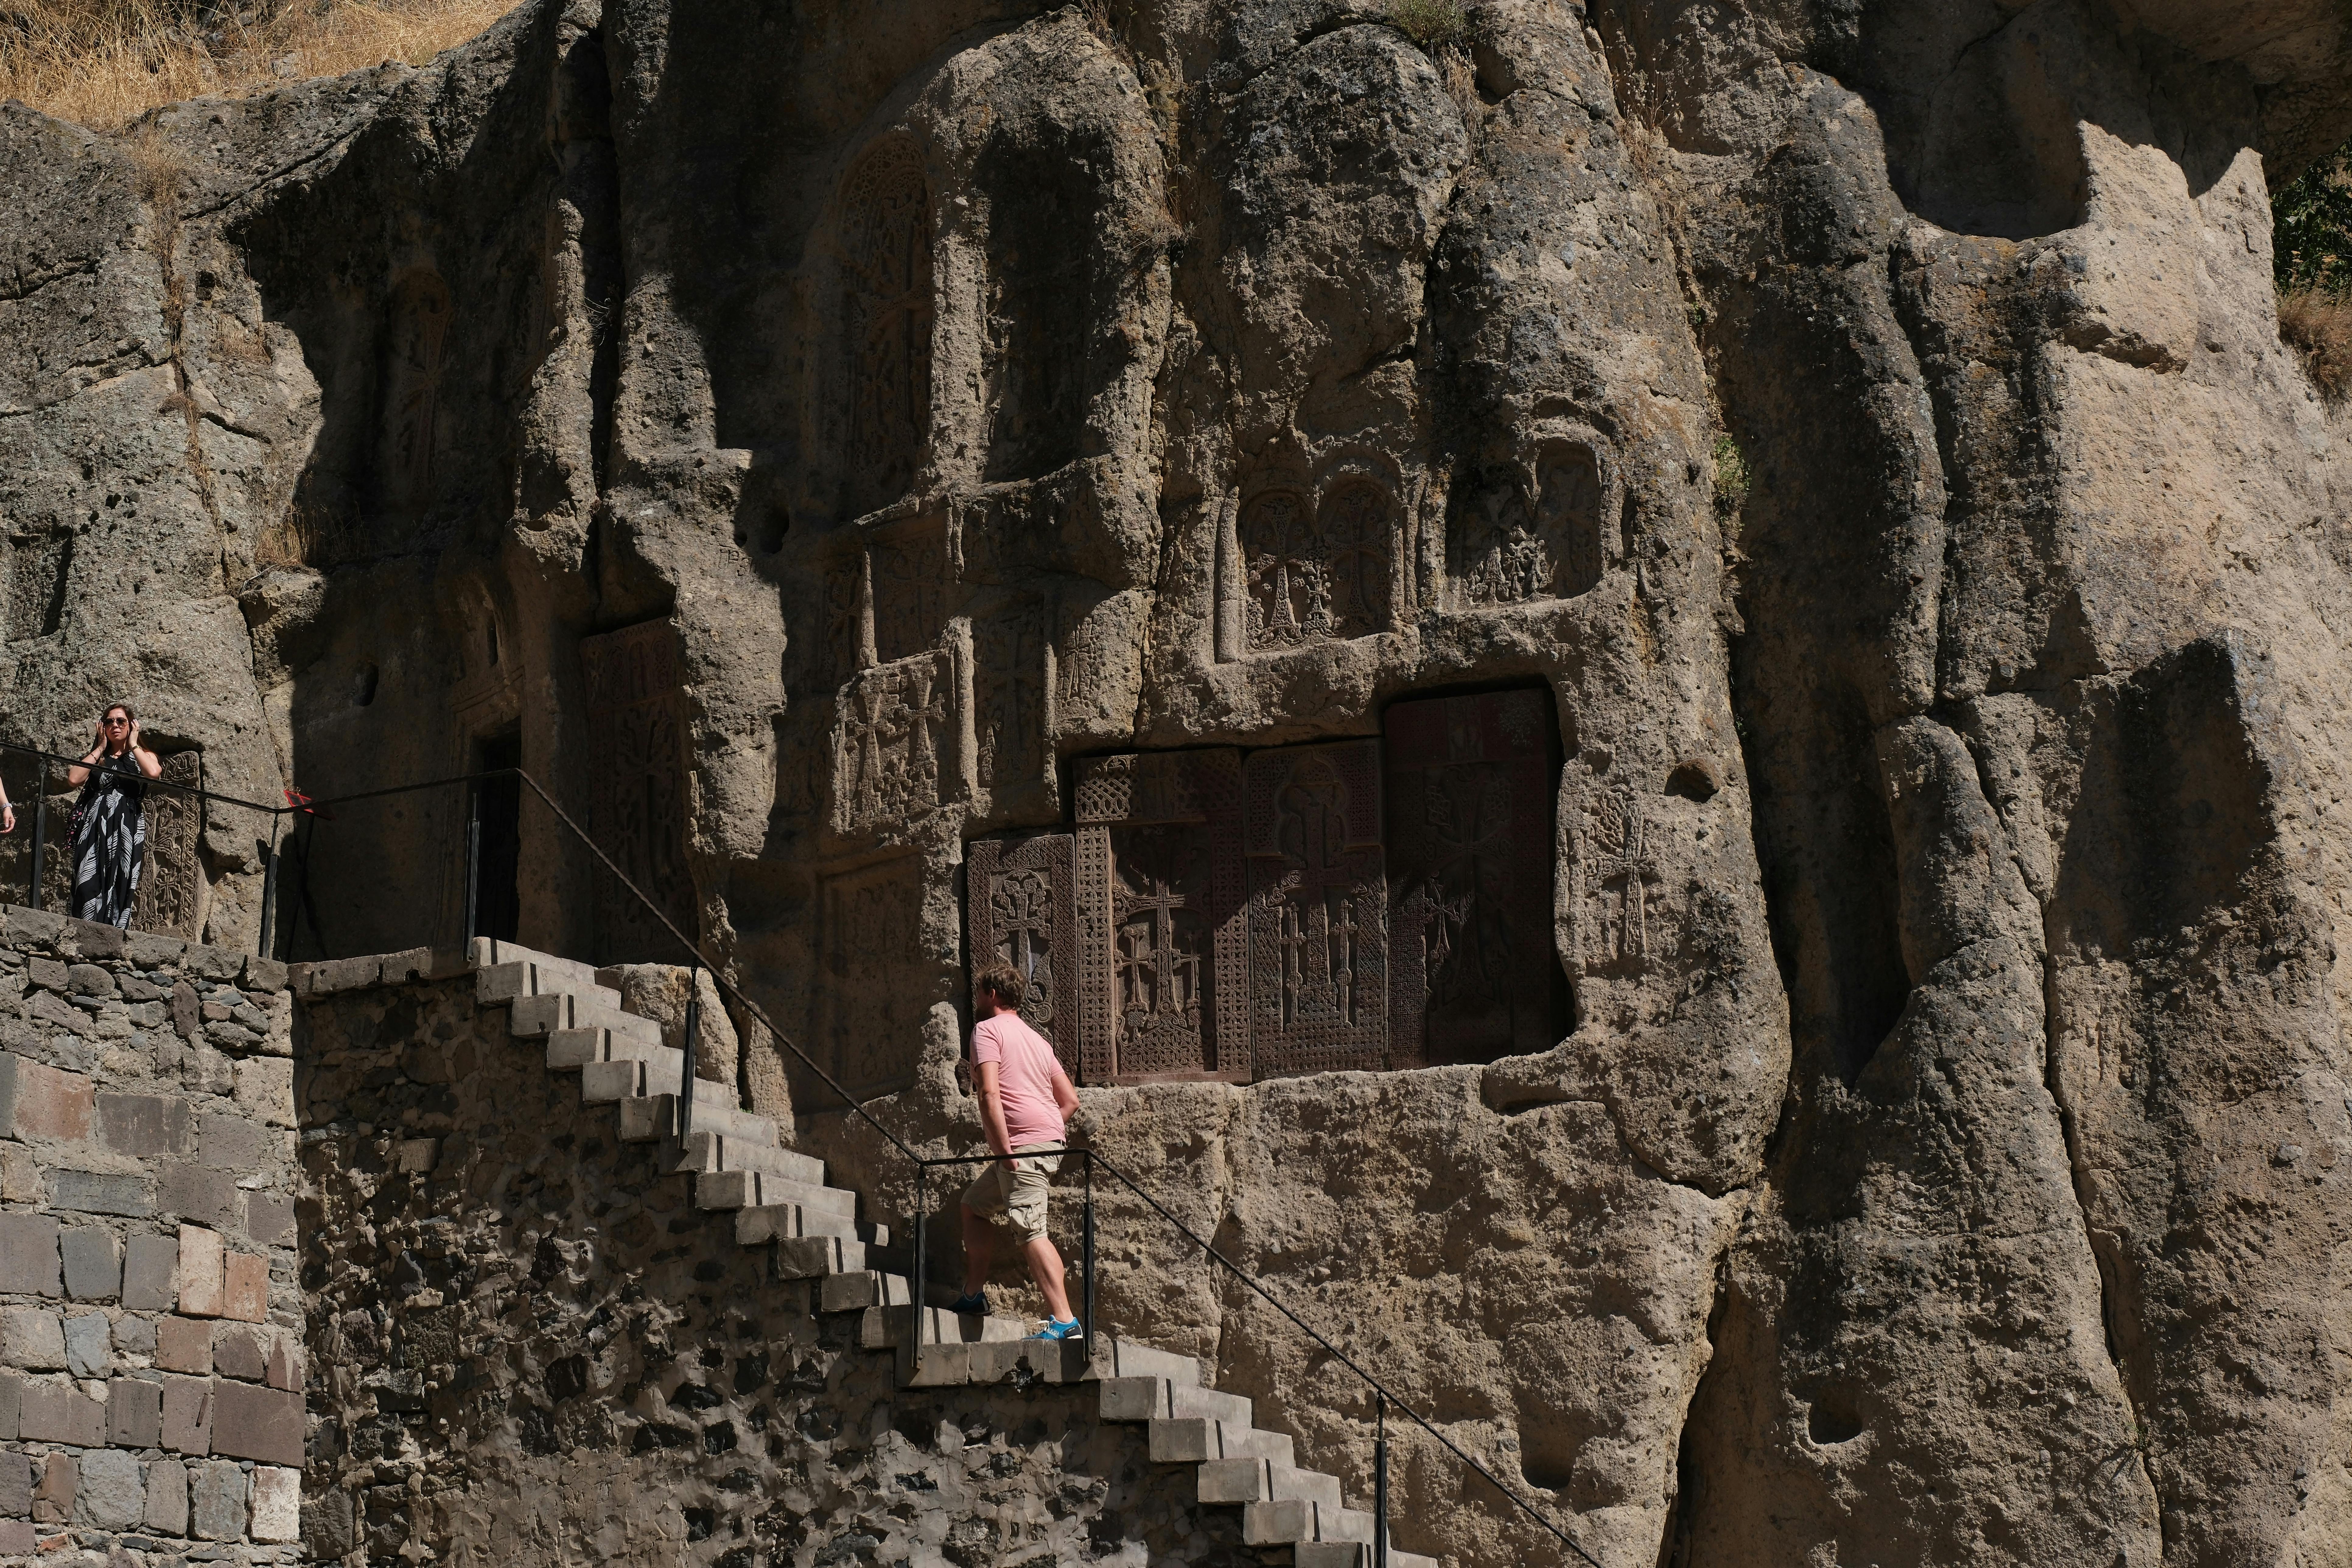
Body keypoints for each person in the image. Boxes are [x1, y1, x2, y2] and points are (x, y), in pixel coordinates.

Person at [952, 961, 1084, 1340]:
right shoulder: (1037, 1040)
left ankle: (1065, 1321)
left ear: (991, 995)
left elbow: (989, 1093)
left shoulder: (987, 1030)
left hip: (1020, 1149)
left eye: (979, 993)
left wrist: (1006, 1149)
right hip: (1040, 1143)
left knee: (1031, 1231)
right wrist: (1044, 1128)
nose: (976, 999)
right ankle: (974, 1295)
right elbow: (1070, 1100)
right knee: (973, 1205)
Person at [65, 703, 161, 929]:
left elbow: (154, 773)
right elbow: (74, 779)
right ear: (102, 727)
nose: (115, 725)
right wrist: (100, 747)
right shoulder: (98, 757)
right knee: (87, 880)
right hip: (94, 824)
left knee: (121, 879)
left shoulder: (143, 755)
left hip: (127, 824)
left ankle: (114, 935)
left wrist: (134, 744)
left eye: (121, 721)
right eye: (109, 722)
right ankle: (84, 931)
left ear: (132, 725)